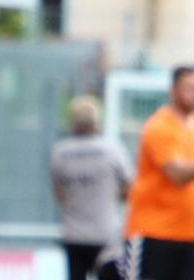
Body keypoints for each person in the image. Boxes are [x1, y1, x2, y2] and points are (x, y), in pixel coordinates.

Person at [122, 66, 194, 280]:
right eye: (189, 88)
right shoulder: (160, 127)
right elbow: (177, 175)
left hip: (186, 234)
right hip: (153, 233)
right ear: (173, 90)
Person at [50, 95, 133, 280]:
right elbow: (128, 189)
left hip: (73, 234)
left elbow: (59, 194)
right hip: (107, 234)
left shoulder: (60, 152)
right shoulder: (112, 150)